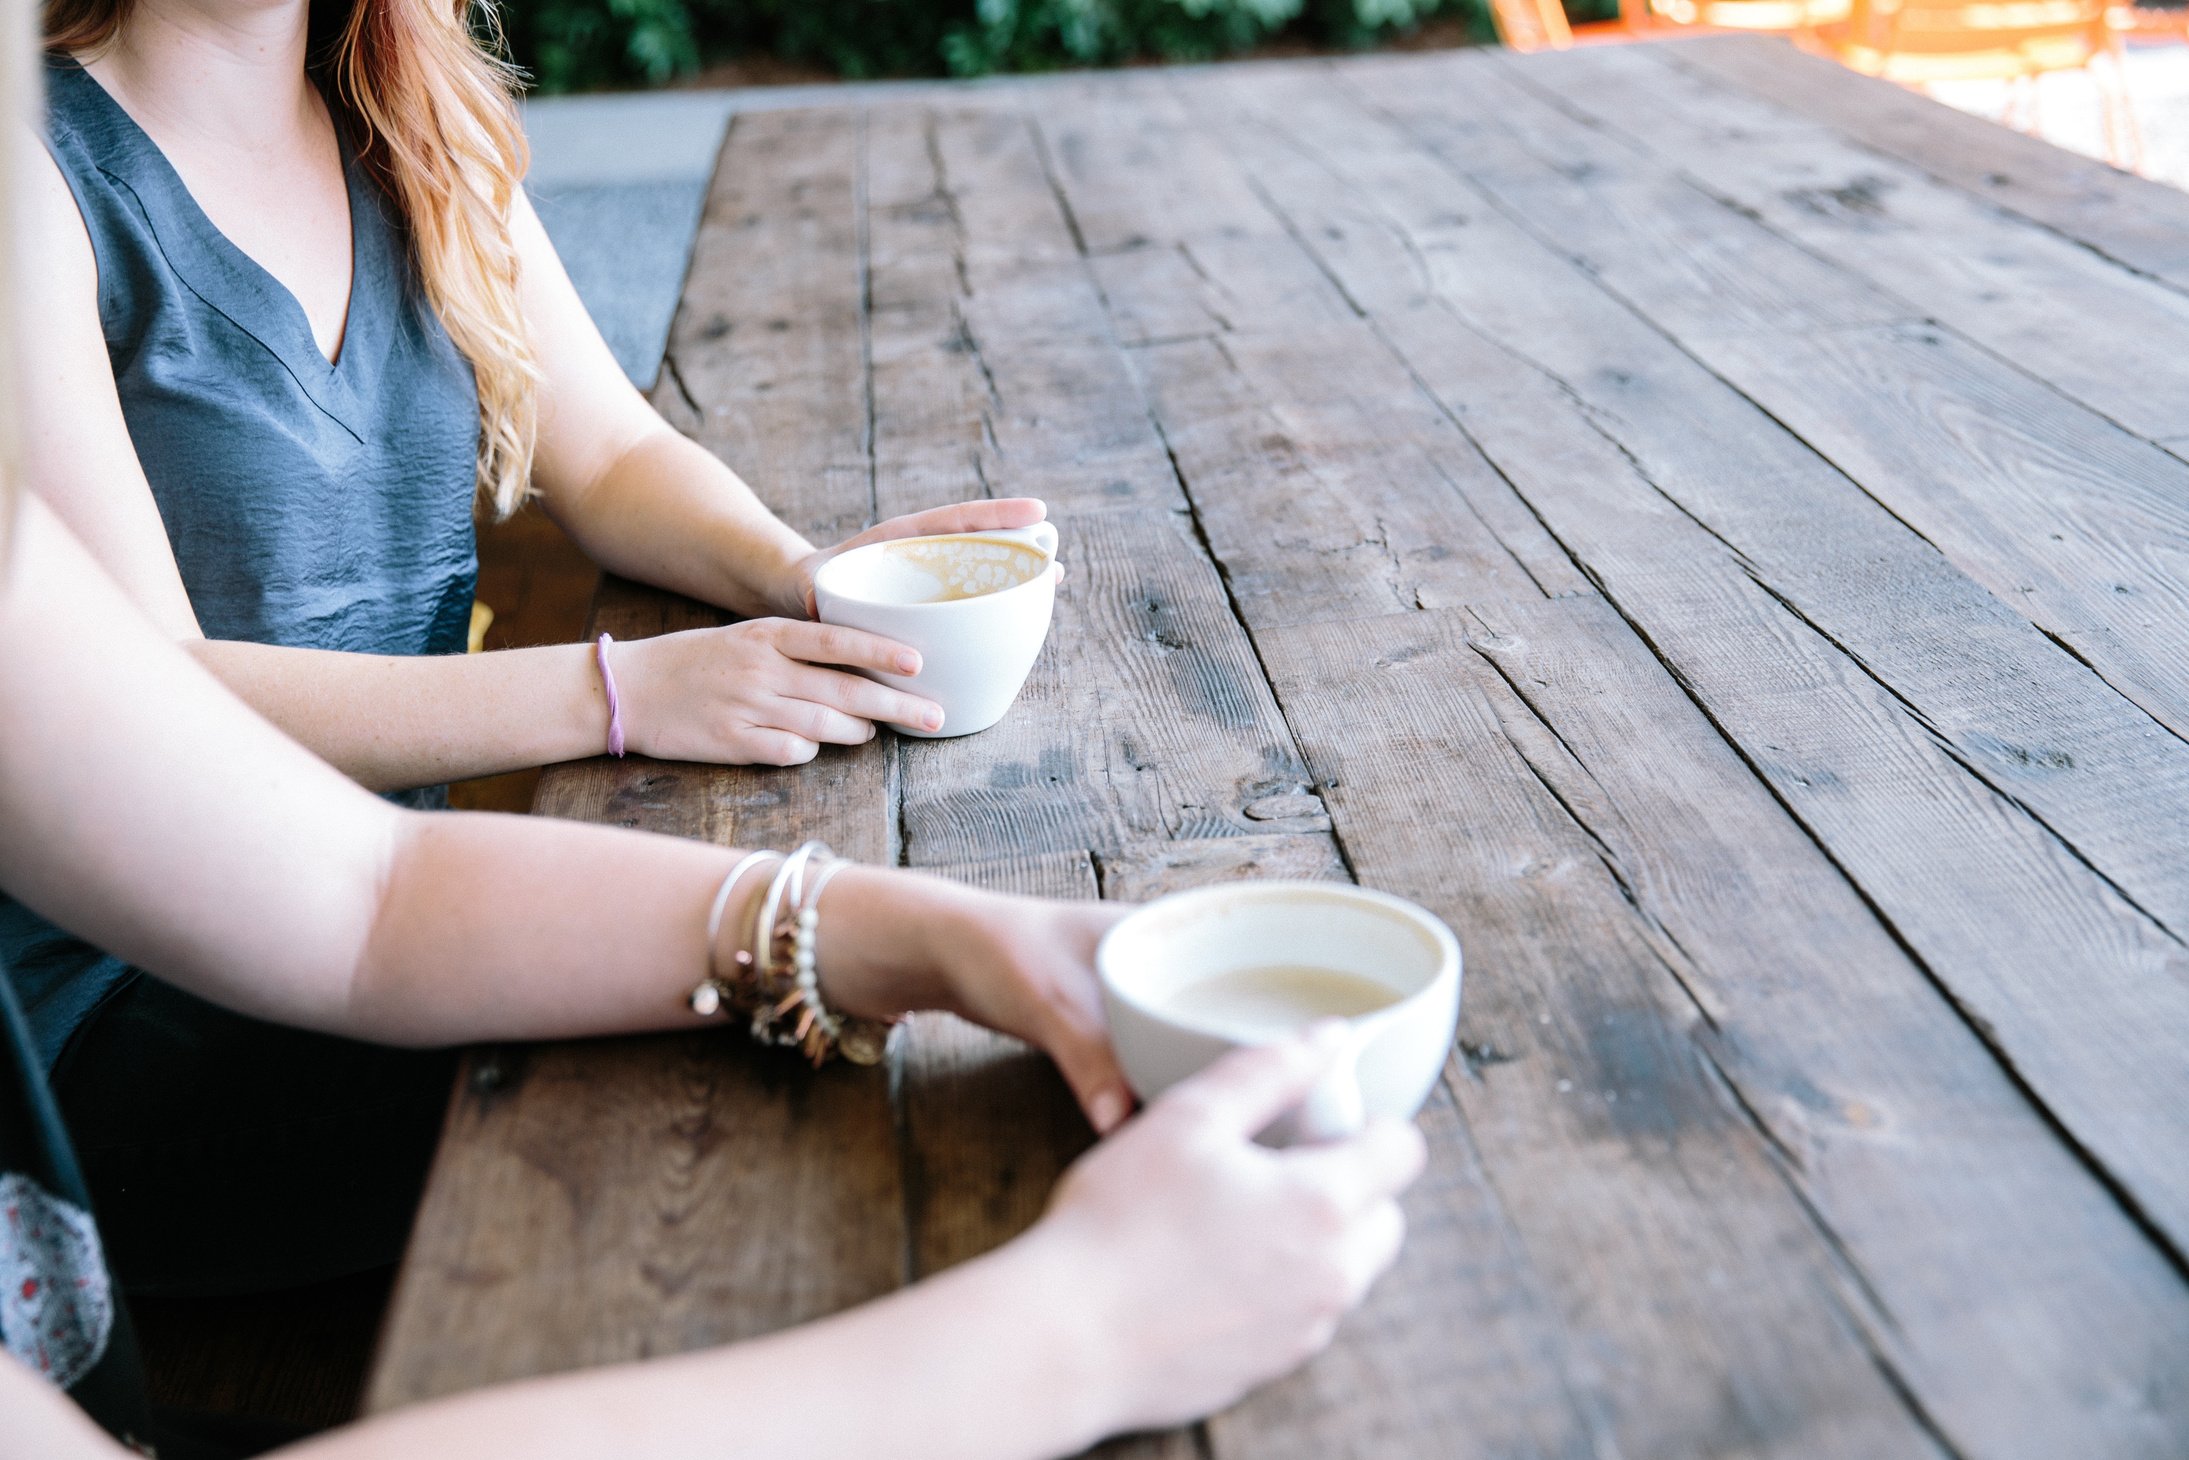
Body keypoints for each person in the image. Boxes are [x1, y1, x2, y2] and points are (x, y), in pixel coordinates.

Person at [8, 0, 1045, 1289]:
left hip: (400, 906)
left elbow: (612, 455)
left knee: (789, 1051)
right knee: (681, 1110)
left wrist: (804, 571)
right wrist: (617, 691)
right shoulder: (32, 171)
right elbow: (156, 699)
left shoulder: (415, 121)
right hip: (113, 998)